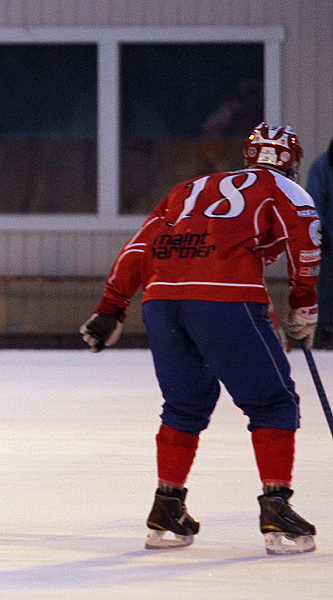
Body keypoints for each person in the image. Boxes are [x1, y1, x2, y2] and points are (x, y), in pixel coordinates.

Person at [81, 122, 320, 555]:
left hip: (163, 300)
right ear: (293, 162)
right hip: (226, 299)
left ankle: (166, 507)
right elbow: (305, 242)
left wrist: (111, 305)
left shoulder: (190, 188)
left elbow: (141, 245)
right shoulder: (284, 189)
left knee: (184, 404)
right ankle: (276, 508)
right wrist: (304, 302)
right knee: (273, 401)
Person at [305, 136, 333, 348]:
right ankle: (327, 330)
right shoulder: (323, 166)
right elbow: (315, 201)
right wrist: (320, 235)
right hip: (329, 242)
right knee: (327, 288)